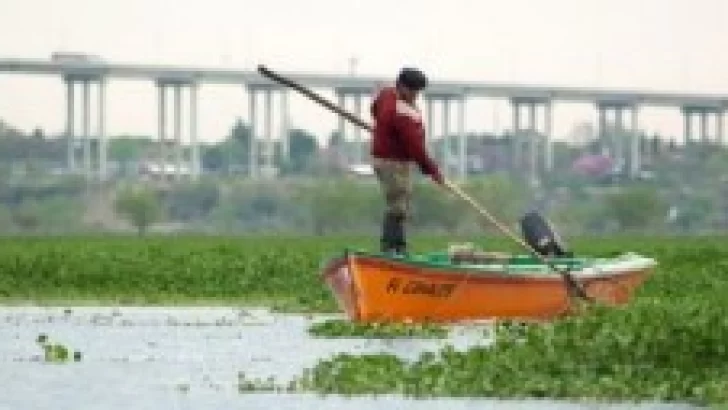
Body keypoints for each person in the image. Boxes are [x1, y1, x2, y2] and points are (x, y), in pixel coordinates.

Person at [370, 67, 444, 254]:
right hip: (394, 163)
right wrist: (432, 170)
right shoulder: (404, 112)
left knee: (399, 203)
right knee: (398, 206)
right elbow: (416, 147)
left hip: (381, 159)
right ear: (402, 86)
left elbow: (374, 110)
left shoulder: (386, 95)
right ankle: (392, 248)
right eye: (412, 91)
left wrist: (385, 129)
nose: (415, 96)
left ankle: (396, 247)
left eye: (417, 92)